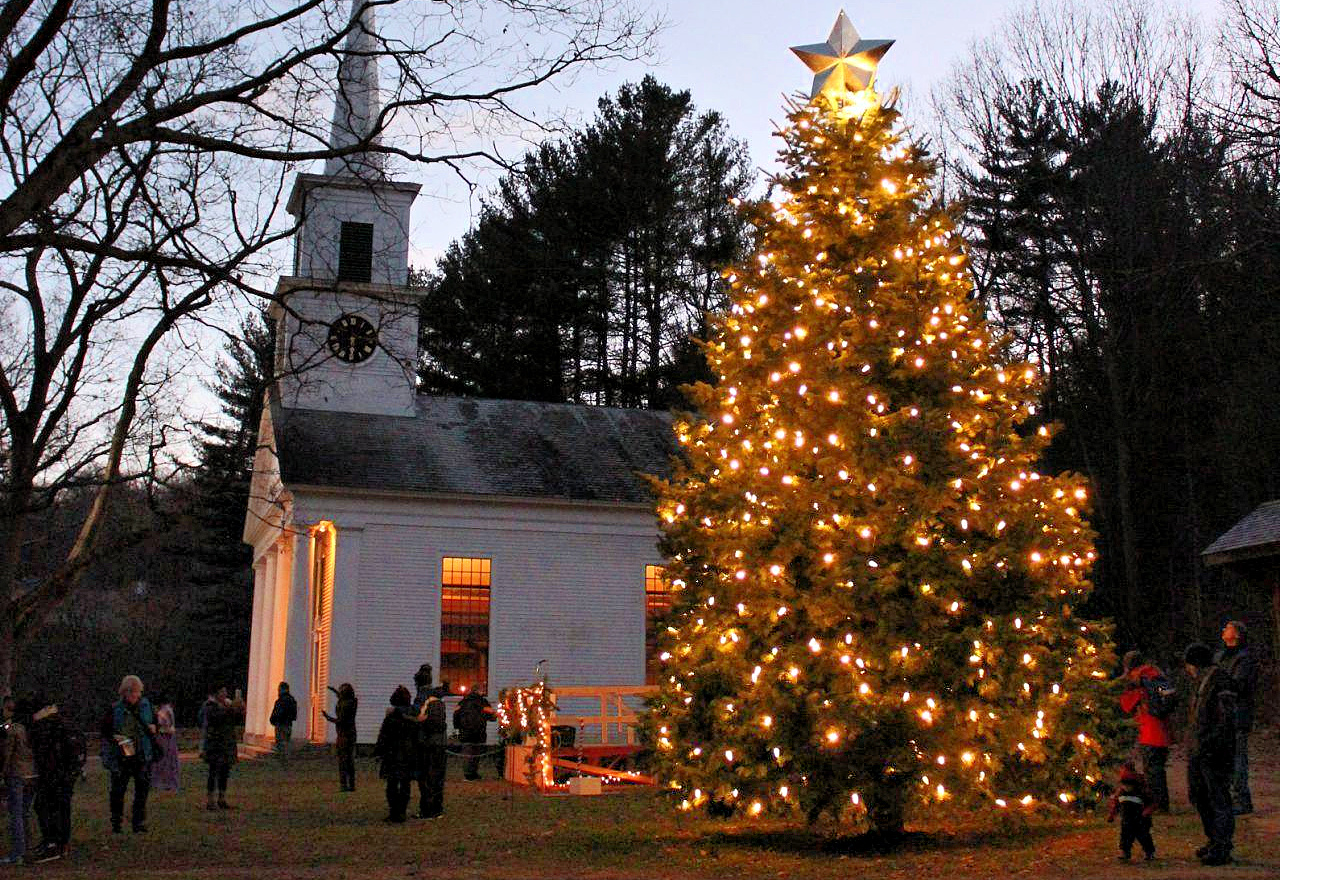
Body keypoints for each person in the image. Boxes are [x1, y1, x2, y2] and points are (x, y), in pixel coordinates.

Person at [1184, 642, 1237, 866]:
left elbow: (1225, 719)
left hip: (1213, 751)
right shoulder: (1202, 682)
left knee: (1217, 797)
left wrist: (1210, 742)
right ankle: (1214, 839)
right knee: (1199, 795)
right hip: (1200, 749)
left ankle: (1222, 845)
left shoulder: (1220, 681)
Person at [28, 698, 84, 863]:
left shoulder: (48, 726)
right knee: (61, 808)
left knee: (46, 806)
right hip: (64, 774)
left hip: (55, 775)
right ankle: (59, 843)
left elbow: (46, 753)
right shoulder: (62, 724)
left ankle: (52, 843)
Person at [1118, 650, 1173, 812]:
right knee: (1158, 769)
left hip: (1149, 731)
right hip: (1163, 729)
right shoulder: (1154, 674)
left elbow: (1127, 705)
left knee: (1152, 770)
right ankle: (1161, 803)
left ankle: (1158, 804)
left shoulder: (1136, 679)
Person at [102, 675, 155, 834]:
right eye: (135, 692)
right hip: (122, 756)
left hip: (141, 754)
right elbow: (106, 731)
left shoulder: (146, 706)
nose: (137, 695)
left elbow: (154, 723)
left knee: (142, 791)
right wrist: (121, 742)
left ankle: (138, 822)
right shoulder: (115, 709)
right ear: (126, 692)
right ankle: (116, 822)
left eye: (139, 692)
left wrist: (153, 728)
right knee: (118, 791)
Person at [1214, 620, 1257, 814]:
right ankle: (1229, 797)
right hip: (1221, 714)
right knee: (1226, 758)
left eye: (1228, 628)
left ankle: (1242, 800)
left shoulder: (1244, 659)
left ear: (1237, 634)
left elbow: (1239, 685)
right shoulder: (1221, 656)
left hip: (1237, 714)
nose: (1224, 630)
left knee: (1238, 758)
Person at [374, 686, 417, 823]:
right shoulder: (413, 717)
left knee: (392, 785)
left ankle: (394, 812)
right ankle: (402, 812)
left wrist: (379, 751)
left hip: (392, 754)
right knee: (405, 784)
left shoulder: (391, 717)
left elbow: (383, 736)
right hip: (408, 754)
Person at [3, 697, 38, 865]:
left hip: (17, 774)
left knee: (16, 814)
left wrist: (3, 772)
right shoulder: (34, 728)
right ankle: (27, 849)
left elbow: (7, 754)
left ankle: (18, 852)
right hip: (32, 775)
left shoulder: (14, 730)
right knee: (25, 812)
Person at [411, 668, 448, 819]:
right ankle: (437, 808)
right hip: (440, 742)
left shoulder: (422, 698)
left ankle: (427, 810)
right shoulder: (437, 698)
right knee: (438, 777)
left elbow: (418, 718)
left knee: (426, 778)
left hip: (426, 743)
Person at [201, 686, 245, 810]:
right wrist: (231, 709)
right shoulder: (210, 706)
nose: (225, 694)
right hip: (215, 743)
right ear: (217, 694)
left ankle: (222, 798)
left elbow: (235, 720)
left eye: (225, 691)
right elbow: (216, 718)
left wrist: (240, 709)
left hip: (226, 743)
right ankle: (210, 800)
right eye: (222, 692)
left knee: (225, 772)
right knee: (213, 772)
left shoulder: (227, 705)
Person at [1107, 761, 1157, 861]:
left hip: (1141, 820)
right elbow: (1115, 804)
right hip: (1127, 820)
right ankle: (1125, 852)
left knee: (1144, 836)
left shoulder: (1142, 791)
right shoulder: (1121, 793)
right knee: (1125, 837)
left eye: (1129, 784)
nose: (1127, 787)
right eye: (1124, 784)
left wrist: (1146, 812)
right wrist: (1112, 815)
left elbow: (1152, 803)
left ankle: (1149, 852)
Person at [453, 686, 495, 781]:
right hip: (479, 732)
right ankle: (473, 773)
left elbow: (456, 714)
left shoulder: (463, 702)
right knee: (476, 754)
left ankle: (468, 774)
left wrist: (457, 726)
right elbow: (492, 716)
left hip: (465, 732)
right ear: (478, 691)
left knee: (467, 753)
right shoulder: (483, 702)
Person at [323, 683, 358, 792]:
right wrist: (334, 690)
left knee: (343, 760)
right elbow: (342, 697)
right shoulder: (352, 702)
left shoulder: (345, 705)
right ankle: (351, 784)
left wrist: (328, 718)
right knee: (350, 760)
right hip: (351, 734)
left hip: (344, 734)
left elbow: (341, 720)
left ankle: (344, 784)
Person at [151, 696, 180, 793]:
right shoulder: (167, 710)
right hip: (167, 736)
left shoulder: (164, 711)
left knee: (164, 761)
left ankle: (165, 783)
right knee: (168, 761)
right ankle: (167, 783)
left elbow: (162, 723)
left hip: (165, 736)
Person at [269, 682, 298, 763]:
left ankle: (283, 760)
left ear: (282, 689)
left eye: (279, 689)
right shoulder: (292, 700)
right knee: (286, 743)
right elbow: (294, 714)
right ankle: (286, 759)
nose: (278, 691)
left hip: (281, 725)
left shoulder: (281, 701)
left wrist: (273, 720)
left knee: (280, 743)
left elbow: (277, 713)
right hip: (288, 725)